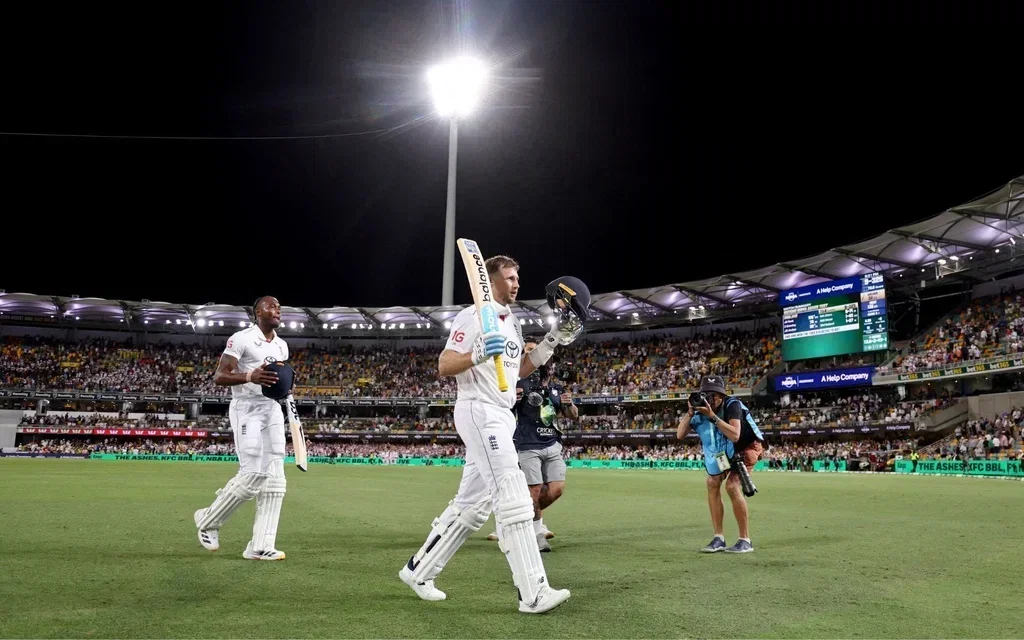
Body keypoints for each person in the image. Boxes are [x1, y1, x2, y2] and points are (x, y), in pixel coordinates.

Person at [398, 255, 573, 614]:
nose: (516, 283)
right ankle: (533, 593)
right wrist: (476, 353)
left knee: (471, 507)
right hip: (479, 411)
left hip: (501, 414)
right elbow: (445, 364)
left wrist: (551, 342)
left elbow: (518, 369)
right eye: (509, 278)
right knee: (514, 497)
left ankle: (418, 571)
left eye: (517, 277)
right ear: (490, 281)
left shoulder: (510, 322)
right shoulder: (474, 315)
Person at [193, 296, 294, 560]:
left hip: (272, 409)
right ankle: (208, 519)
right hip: (247, 409)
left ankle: (260, 545)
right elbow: (219, 376)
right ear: (258, 312)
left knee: (275, 481)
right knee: (252, 474)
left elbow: (277, 379)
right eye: (272, 306)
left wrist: (286, 387)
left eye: (279, 307)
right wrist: (250, 376)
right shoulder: (241, 339)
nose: (277, 310)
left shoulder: (282, 346)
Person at [486, 344, 577, 550]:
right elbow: (501, 409)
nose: (534, 354)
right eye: (528, 350)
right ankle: (535, 532)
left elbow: (573, 415)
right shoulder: (516, 383)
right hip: (527, 445)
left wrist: (569, 404)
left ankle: (512, 520)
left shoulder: (556, 387)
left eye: (537, 350)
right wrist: (510, 400)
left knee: (556, 490)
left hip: (553, 444)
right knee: (534, 490)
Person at [677, 375, 766, 554]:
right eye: (707, 395)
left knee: (732, 486)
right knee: (711, 482)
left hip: (746, 447)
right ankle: (719, 538)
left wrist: (712, 416)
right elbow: (680, 435)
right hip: (724, 450)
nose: (711, 399)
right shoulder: (698, 410)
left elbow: (735, 435)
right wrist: (690, 413)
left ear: (722, 395)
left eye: (715, 395)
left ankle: (745, 540)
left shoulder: (732, 405)